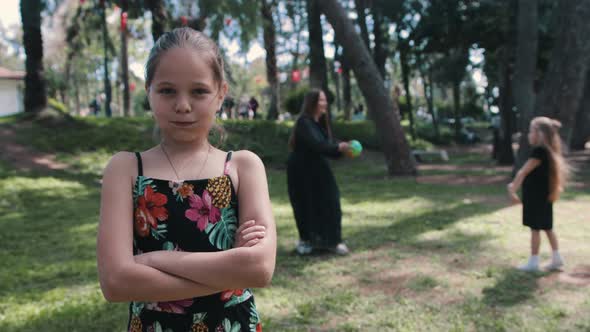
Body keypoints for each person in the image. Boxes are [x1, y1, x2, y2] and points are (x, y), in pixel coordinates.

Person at [97, 27, 276, 331]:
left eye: (199, 91)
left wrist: (153, 261)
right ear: (149, 91)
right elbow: (116, 283)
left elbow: (258, 269)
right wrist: (229, 272)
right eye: (167, 90)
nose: (182, 105)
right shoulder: (126, 169)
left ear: (221, 93)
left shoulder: (242, 167)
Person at [287, 88, 352, 256]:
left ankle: (332, 241)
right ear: (312, 103)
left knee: (330, 202)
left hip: (318, 170)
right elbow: (317, 145)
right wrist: (339, 147)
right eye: (321, 100)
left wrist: (342, 150)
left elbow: (326, 147)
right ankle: (306, 241)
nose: (325, 104)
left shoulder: (319, 123)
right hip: (301, 172)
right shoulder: (304, 122)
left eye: (325, 100)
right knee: (305, 205)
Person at [507, 116, 570, 272]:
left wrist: (513, 188)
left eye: (530, 131)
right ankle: (556, 258)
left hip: (535, 198)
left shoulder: (539, 151)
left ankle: (534, 262)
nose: (528, 134)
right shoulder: (548, 151)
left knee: (535, 229)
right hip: (544, 196)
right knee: (548, 227)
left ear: (539, 133)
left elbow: (523, 171)